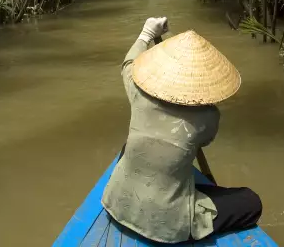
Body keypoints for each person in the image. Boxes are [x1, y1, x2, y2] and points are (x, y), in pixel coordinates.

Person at [101, 18, 262, 244]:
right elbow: (204, 141)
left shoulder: (139, 93)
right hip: (164, 225)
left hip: (115, 202)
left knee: (130, 146)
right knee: (251, 202)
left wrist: (147, 33)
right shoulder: (208, 117)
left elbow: (128, 63)